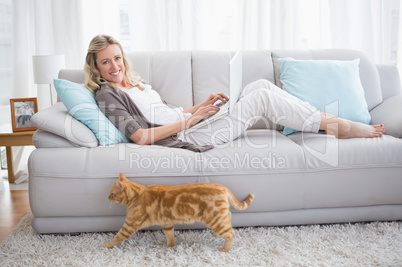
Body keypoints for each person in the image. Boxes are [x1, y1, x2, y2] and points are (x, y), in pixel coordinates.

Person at [84, 35, 385, 150]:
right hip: (184, 137)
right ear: (96, 67)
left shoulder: (136, 84)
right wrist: (192, 121)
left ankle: (327, 122)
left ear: (123, 58)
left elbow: (166, 112)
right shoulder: (108, 95)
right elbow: (142, 136)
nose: (114, 66)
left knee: (260, 87)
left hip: (192, 124)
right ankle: (339, 126)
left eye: (117, 57)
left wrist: (201, 106)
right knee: (263, 97)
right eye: (106, 62)